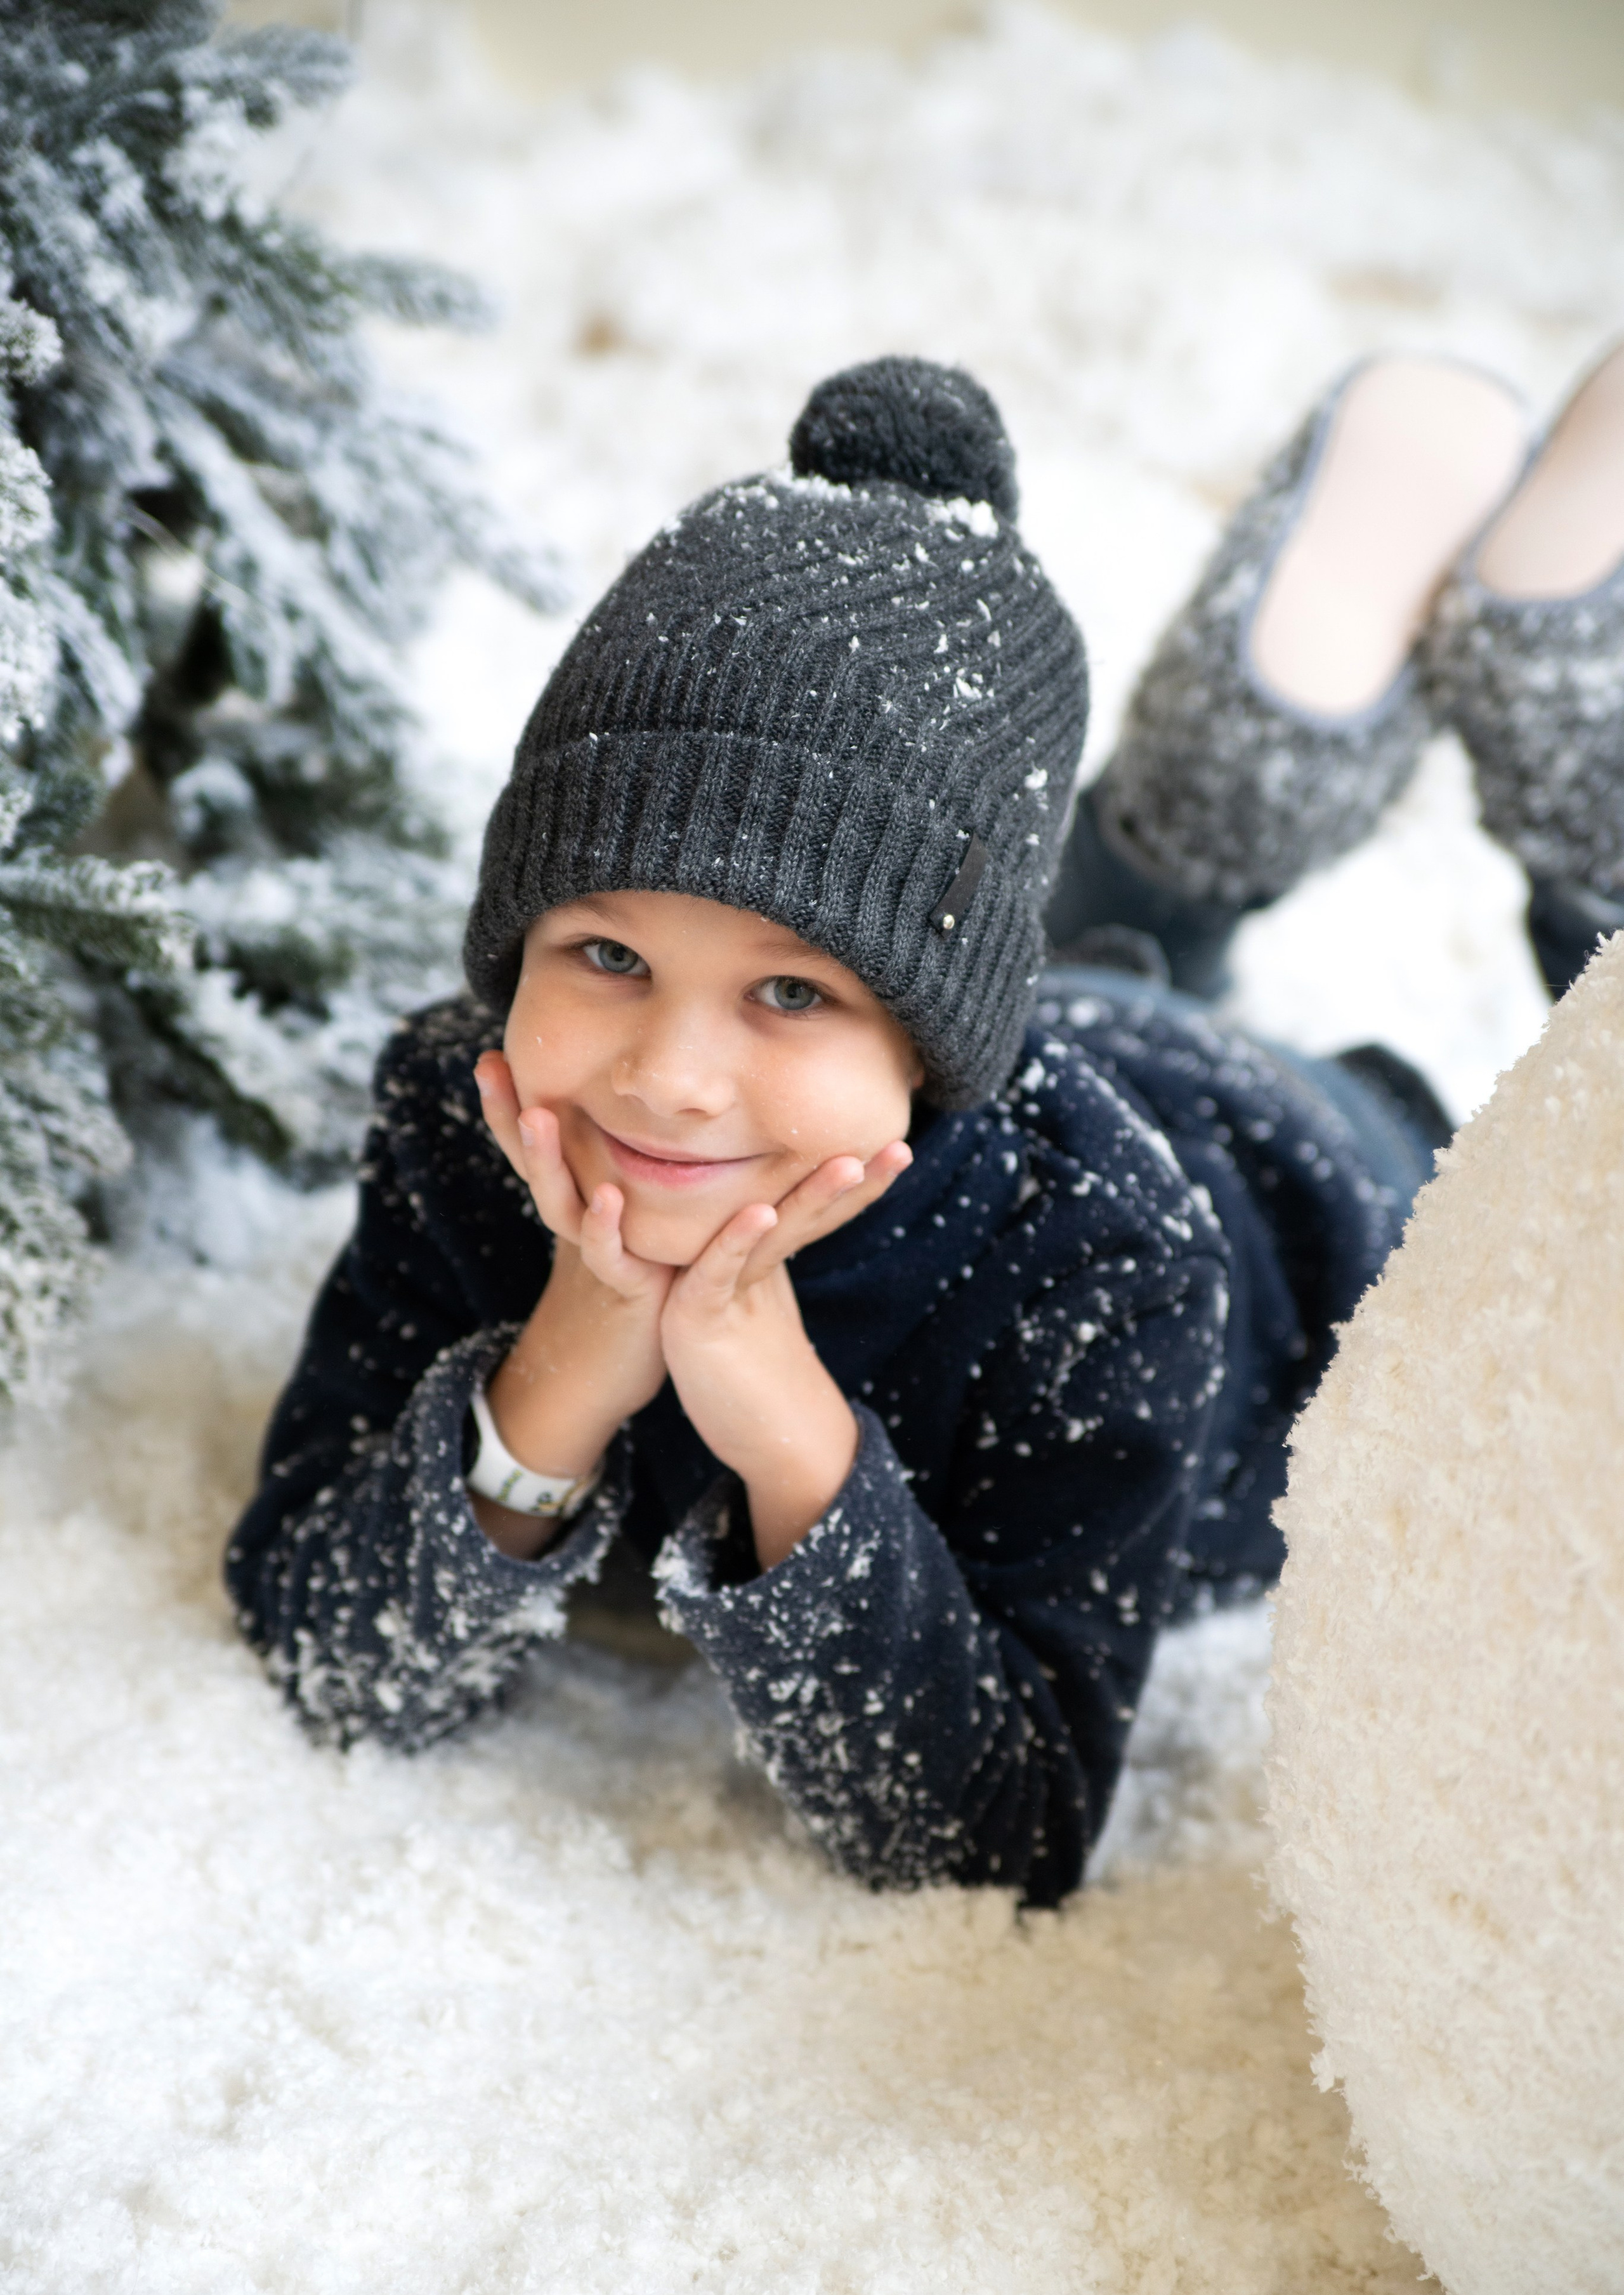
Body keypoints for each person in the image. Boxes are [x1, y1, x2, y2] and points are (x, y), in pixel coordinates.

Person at [228, 346, 1621, 1907]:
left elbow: (996, 1840)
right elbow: (327, 1655)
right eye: (607, 956)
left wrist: (787, 1429)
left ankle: (1576, 759)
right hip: (1016, 1004)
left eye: (788, 994)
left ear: (931, 1028)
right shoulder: (463, 1118)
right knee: (1076, 946)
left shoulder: (1108, 1251)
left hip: (1279, 1167)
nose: (671, 1078)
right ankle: (1224, 775)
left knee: (1592, 1163)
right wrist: (566, 1358)